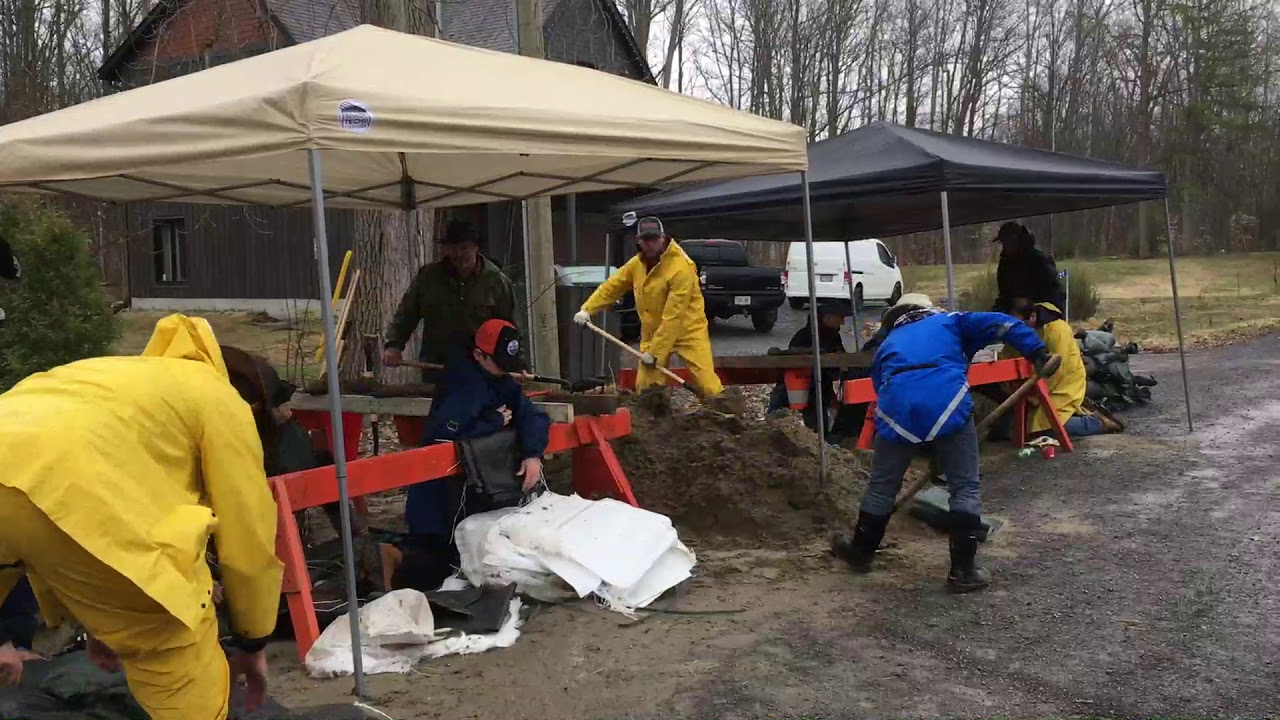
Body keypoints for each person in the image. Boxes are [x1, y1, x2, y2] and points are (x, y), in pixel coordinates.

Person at [0, 314, 284, 718]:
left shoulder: (119, 380)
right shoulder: (221, 401)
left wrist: (94, 616)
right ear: (253, 404)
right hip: (70, 491)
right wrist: (254, 640)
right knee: (185, 666)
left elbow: (36, 507)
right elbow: (248, 530)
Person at [832, 296, 1053, 593]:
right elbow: (1004, 323)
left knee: (881, 484)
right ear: (928, 309)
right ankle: (963, 571)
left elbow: (881, 383)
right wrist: (1036, 351)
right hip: (946, 400)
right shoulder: (952, 321)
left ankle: (861, 552)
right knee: (964, 486)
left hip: (897, 409)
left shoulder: (888, 341)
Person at [405, 319, 551, 540]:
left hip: (479, 489)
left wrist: (533, 453)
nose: (505, 370)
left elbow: (532, 415)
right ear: (478, 355)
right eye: (499, 363)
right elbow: (445, 434)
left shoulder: (501, 379)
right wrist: (492, 422)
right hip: (441, 501)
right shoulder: (462, 386)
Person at [574, 216, 723, 396]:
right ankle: (652, 421)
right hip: (653, 333)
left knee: (707, 384)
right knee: (647, 389)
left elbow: (673, 316)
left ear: (663, 237)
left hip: (688, 331)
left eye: (654, 238)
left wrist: (656, 354)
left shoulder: (681, 268)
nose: (651, 244)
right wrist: (587, 309)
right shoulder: (636, 265)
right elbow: (612, 286)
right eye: (646, 239)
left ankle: (723, 413)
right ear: (638, 241)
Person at [383, 219, 520, 377]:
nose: (459, 254)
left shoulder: (496, 281)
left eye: (464, 248)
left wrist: (516, 363)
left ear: (476, 247)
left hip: (481, 369)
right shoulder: (429, 277)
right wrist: (394, 345)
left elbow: (511, 327)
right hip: (437, 367)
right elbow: (406, 314)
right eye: (453, 248)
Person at [1012, 301, 1121, 438]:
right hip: (1046, 384)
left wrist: (1036, 394)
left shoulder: (1057, 330)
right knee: (1025, 425)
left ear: (1033, 317)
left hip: (1064, 384)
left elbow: (1058, 369)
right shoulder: (1031, 330)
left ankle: (1097, 423)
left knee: (1046, 427)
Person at [992, 222, 1065, 314]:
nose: (1005, 247)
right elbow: (1004, 293)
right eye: (1003, 243)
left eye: (1008, 242)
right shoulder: (1005, 263)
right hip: (1013, 313)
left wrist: (1030, 305)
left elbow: (1054, 294)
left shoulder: (1040, 261)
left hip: (1040, 313)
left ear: (1018, 241)